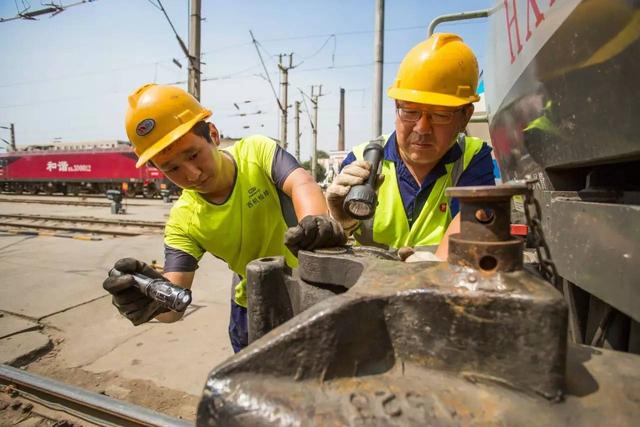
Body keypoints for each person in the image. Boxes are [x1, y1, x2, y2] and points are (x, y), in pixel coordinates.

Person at [103, 84, 344, 352]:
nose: (191, 174)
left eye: (193, 155)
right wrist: (150, 300)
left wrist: (315, 224)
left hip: (311, 293)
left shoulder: (256, 152)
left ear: (213, 135)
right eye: (172, 169)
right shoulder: (183, 221)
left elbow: (301, 183)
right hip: (253, 308)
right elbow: (174, 308)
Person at [326, 33, 495, 260]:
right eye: (410, 111)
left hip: (440, 289)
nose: (422, 128)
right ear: (397, 106)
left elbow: (469, 228)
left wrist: (423, 273)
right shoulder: (360, 159)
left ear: (465, 116)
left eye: (439, 115)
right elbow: (337, 252)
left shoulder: (473, 159)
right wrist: (340, 222)